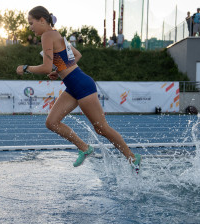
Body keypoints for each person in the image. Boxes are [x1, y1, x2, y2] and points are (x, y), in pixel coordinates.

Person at [16, 6, 141, 172]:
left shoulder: (47, 35)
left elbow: (45, 67)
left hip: (81, 85)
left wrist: (25, 68)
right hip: (73, 86)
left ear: (42, 20)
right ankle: (84, 148)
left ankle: (132, 156)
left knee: (101, 128)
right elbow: (77, 55)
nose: (30, 27)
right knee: (52, 122)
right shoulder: (56, 34)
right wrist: (58, 70)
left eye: (31, 23)